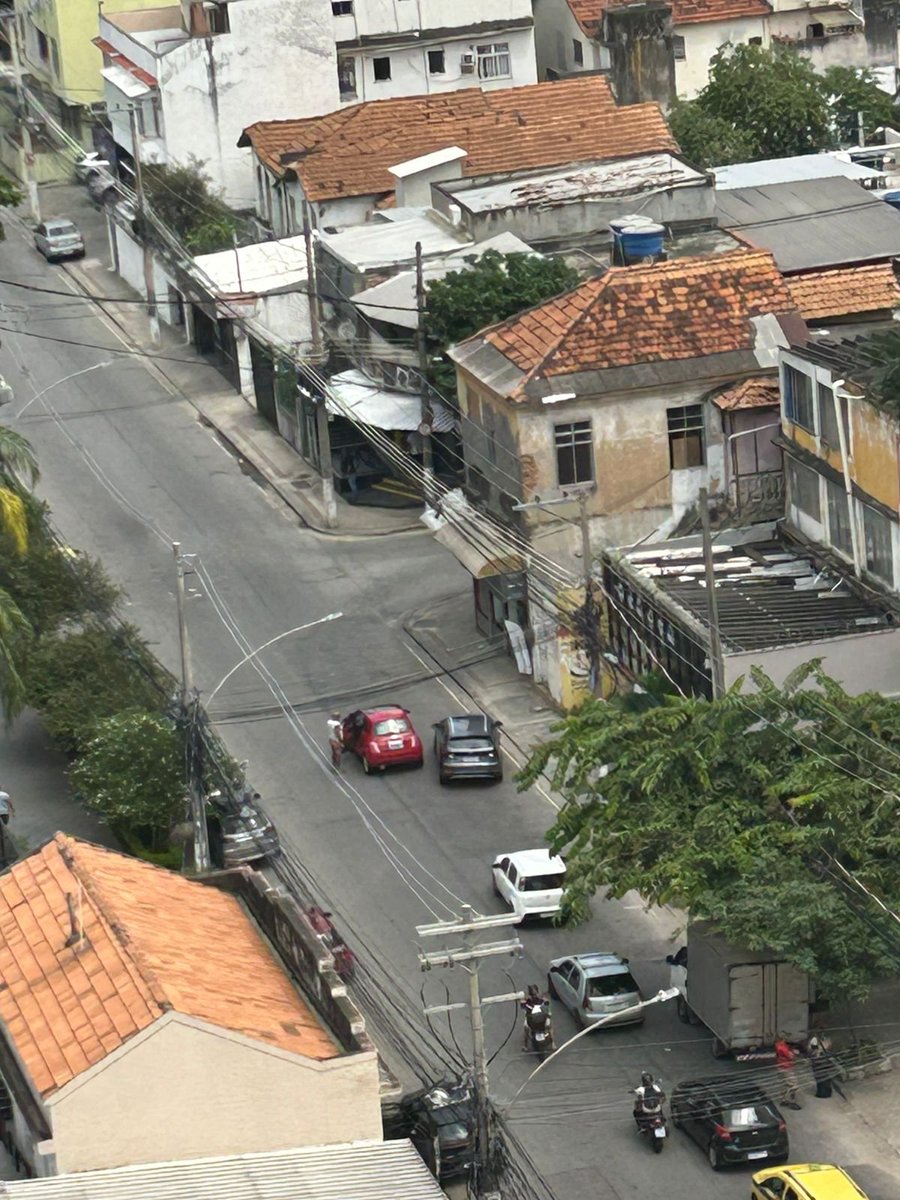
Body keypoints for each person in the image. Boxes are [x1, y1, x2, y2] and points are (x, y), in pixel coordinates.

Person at [774, 1033, 803, 1109]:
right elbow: (790, 1056)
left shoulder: (777, 1045)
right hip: (786, 1067)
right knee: (793, 1085)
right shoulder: (783, 1047)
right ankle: (792, 1102)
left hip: (780, 1066)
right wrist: (795, 1053)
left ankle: (783, 1100)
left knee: (784, 1084)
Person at [522, 984, 553, 1050]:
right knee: (526, 1028)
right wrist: (523, 1004)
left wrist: (548, 1012)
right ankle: (525, 1045)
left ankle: (553, 1043)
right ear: (530, 994)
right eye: (533, 994)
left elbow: (547, 1005)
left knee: (549, 1026)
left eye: (535, 993)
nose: (535, 996)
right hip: (531, 1018)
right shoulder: (528, 1000)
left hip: (542, 1017)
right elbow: (523, 1005)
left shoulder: (542, 999)